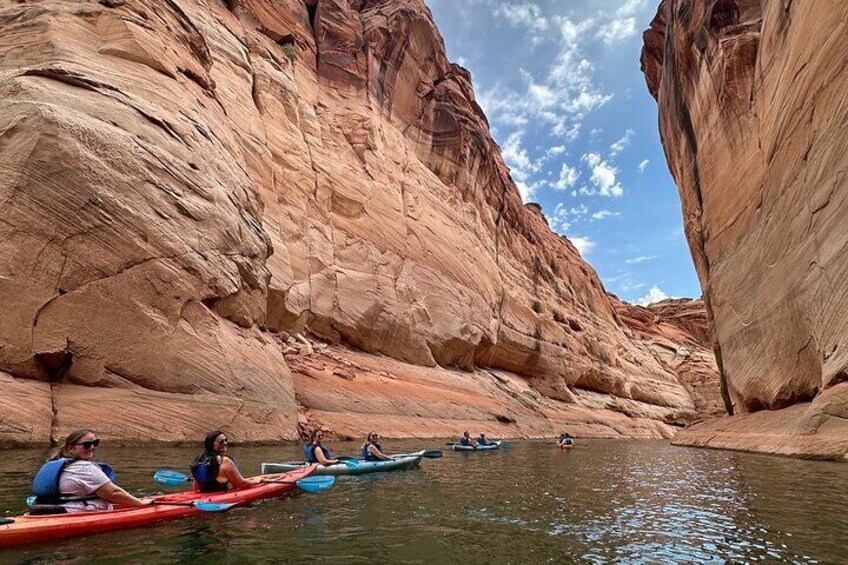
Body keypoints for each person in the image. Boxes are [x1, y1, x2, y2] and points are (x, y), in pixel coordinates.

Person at [30, 429, 151, 513]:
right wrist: (140, 503)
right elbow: (113, 493)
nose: (92, 447)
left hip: (45, 510)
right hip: (74, 513)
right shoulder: (85, 468)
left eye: (95, 443)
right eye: (87, 445)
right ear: (71, 448)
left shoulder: (51, 463)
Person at [190, 430, 267, 492]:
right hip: (221, 496)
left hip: (206, 496)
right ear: (211, 444)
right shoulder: (225, 461)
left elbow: (196, 489)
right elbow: (243, 484)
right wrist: (258, 481)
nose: (225, 443)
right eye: (221, 442)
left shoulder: (199, 460)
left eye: (225, 440)